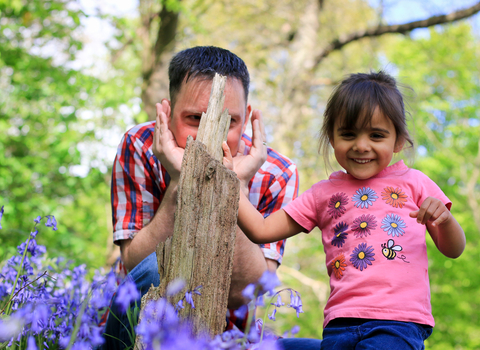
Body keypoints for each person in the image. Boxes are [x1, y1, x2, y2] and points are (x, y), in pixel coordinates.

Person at [104, 46, 322, 350]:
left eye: (228, 121)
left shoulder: (277, 173)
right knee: (159, 269)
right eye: (195, 118)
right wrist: (182, 183)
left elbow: (254, 289)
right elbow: (137, 267)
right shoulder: (140, 146)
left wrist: (234, 190)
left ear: (246, 119)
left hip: (226, 339)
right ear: (167, 112)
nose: (211, 133)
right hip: (136, 331)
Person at [230, 71, 466, 350]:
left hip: (397, 323)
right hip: (339, 323)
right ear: (332, 137)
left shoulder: (415, 183)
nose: (361, 145)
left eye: (377, 135)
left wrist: (445, 219)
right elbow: (262, 230)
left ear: (399, 141)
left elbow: (454, 249)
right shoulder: (322, 194)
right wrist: (233, 183)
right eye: (348, 134)